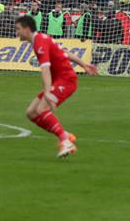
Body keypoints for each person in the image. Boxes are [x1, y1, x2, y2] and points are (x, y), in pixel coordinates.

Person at [14, 15, 96, 159]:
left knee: (41, 109)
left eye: (18, 29)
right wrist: (84, 64)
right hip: (59, 81)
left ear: (26, 29)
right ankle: (65, 135)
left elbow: (45, 70)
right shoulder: (42, 39)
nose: (16, 32)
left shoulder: (39, 42)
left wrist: (47, 92)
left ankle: (65, 141)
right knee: (31, 112)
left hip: (66, 80)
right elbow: (65, 53)